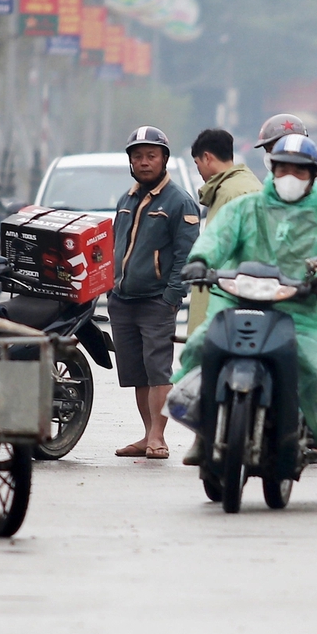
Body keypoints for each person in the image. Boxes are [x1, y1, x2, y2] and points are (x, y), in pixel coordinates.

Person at [175, 134, 317, 496]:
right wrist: (200, 261)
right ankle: (203, 430)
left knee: (314, 368)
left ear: (313, 175)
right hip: (239, 301)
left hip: (303, 312)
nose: (290, 175)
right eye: (283, 168)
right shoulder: (245, 208)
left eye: (299, 169)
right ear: (272, 169)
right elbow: (217, 237)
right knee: (200, 344)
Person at [108, 126, 202, 460]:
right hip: (122, 299)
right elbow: (115, 246)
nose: (144, 162)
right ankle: (147, 434)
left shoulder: (180, 202)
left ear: (164, 159)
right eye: (138, 157)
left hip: (156, 301)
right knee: (137, 373)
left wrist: (172, 296)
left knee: (158, 369)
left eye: (151, 156)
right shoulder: (127, 199)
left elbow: (186, 255)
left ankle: (158, 437)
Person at [186, 127, 261, 336]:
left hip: (225, 296)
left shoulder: (231, 192)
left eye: (197, 163)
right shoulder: (242, 185)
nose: (199, 170)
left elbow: (221, 249)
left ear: (207, 158)